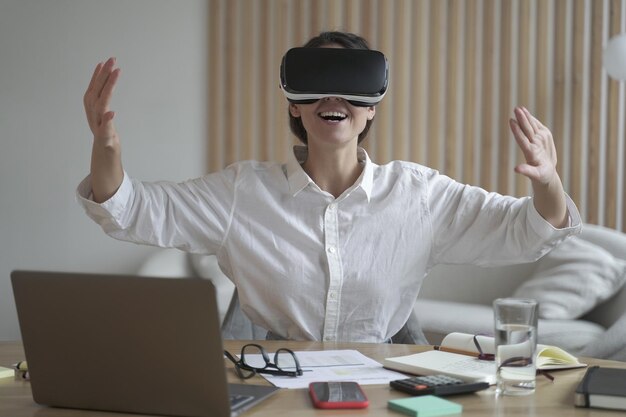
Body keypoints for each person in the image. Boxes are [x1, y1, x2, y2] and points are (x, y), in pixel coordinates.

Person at [78, 31, 581, 343]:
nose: (332, 96)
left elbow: (530, 230)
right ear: (294, 104)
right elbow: (131, 209)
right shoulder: (242, 193)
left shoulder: (419, 196)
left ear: (370, 108)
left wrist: (549, 182)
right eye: (316, 81)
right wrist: (107, 151)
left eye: (349, 83)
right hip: (278, 385)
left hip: (384, 387)